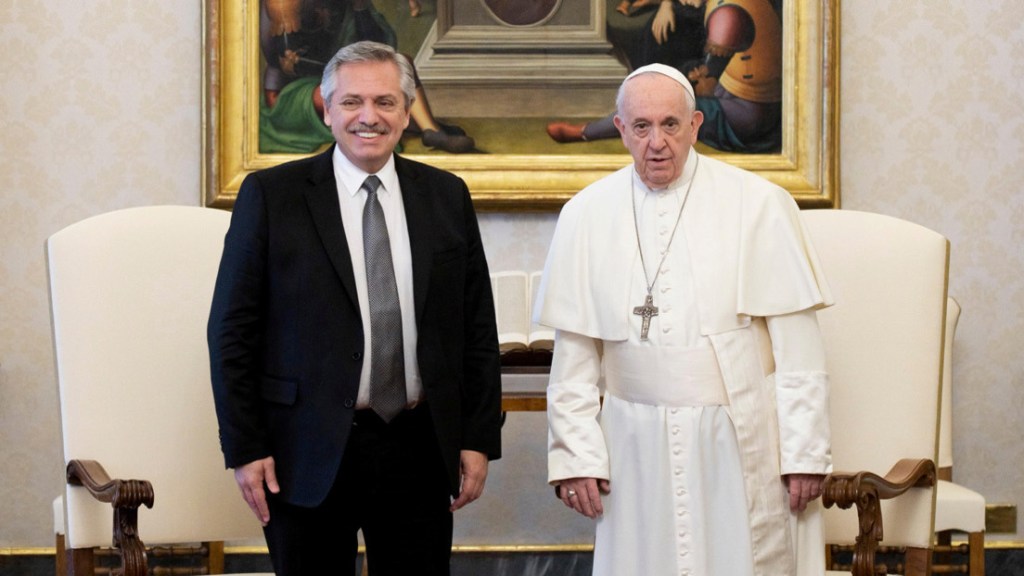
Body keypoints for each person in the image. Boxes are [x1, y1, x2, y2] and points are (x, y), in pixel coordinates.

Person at [208, 40, 502, 576]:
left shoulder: (445, 194)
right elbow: (231, 331)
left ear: (407, 111)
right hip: (304, 449)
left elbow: (476, 327)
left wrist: (478, 438)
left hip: (418, 445)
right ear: (326, 108)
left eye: (386, 102)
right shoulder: (273, 196)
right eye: (352, 102)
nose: (369, 117)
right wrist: (244, 448)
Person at [535, 62, 833, 575]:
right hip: (633, 443)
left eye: (671, 125)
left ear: (696, 125)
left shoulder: (760, 203)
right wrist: (576, 456)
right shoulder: (585, 213)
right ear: (621, 129)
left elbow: (798, 349)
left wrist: (804, 452)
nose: (657, 142)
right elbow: (576, 357)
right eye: (642, 127)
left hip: (737, 437)